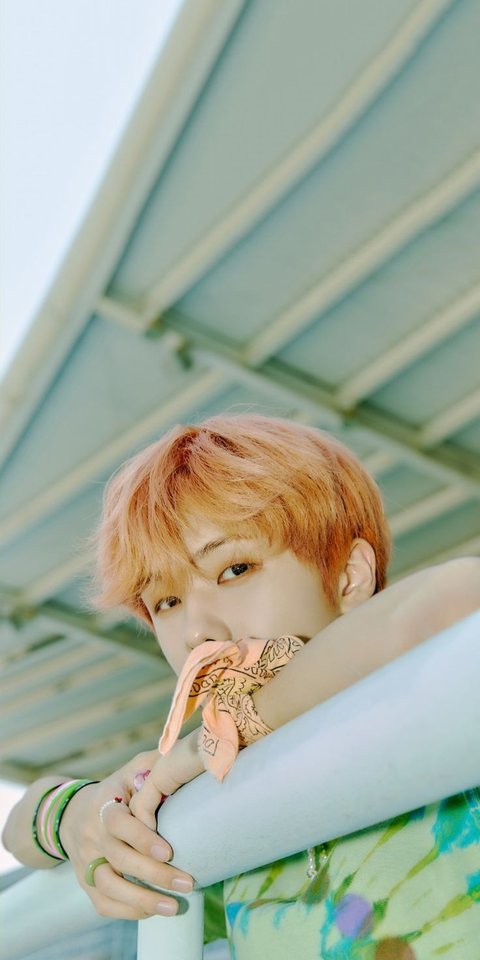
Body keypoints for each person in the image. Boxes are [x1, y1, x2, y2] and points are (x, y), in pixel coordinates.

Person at [3, 414, 479, 957]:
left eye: (235, 570)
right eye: (166, 601)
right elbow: (18, 828)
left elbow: (459, 594)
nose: (196, 630)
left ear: (350, 576)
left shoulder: (432, 710)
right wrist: (76, 813)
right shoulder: (207, 791)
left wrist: (224, 730)